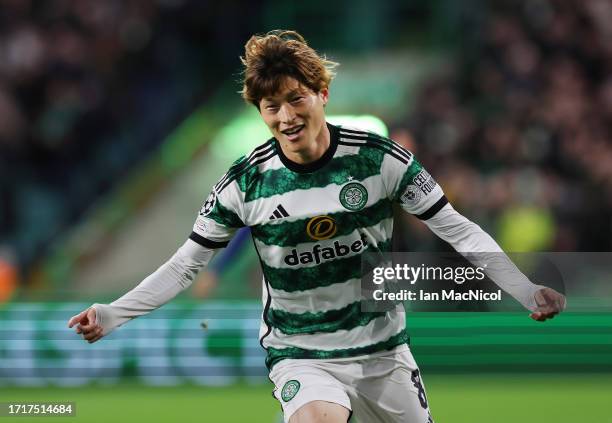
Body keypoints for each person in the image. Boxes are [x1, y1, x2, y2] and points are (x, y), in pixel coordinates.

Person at [68, 30, 566, 423]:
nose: (286, 116)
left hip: (382, 353)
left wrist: (525, 290)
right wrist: (113, 314)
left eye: (295, 98)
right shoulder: (244, 184)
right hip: (301, 352)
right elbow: (185, 266)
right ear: (260, 112)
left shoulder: (379, 160)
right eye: (271, 107)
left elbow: (458, 229)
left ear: (322, 93)